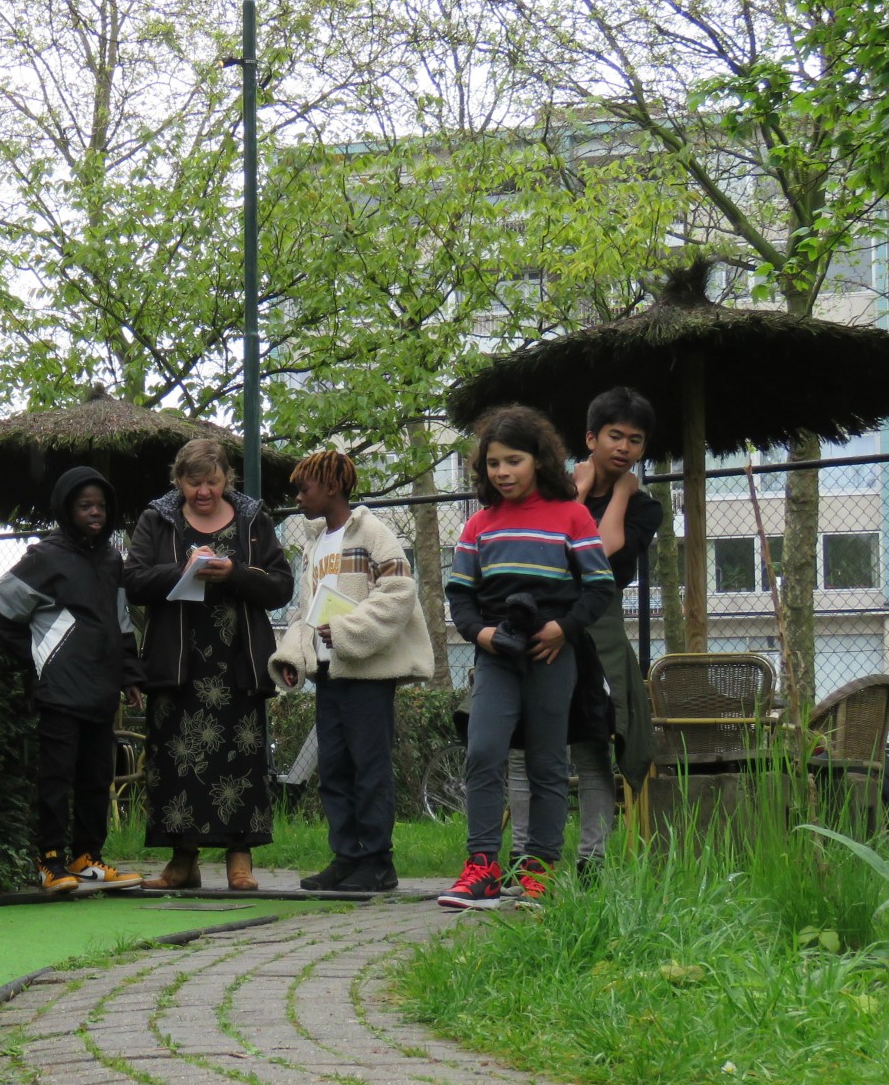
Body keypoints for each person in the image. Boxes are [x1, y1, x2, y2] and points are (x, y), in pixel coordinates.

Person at [438, 406, 614, 911]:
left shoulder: (572, 516)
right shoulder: (479, 525)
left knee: (547, 762)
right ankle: (482, 869)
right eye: (493, 463)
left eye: (513, 460)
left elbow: (599, 587)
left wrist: (564, 629)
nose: (503, 472)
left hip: (553, 654)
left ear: (539, 460)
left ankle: (540, 870)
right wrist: (484, 635)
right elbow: (460, 597)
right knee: (484, 752)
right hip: (497, 655)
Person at [124, 438, 294, 891]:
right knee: (177, 760)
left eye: (213, 482)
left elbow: (281, 585)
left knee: (240, 758)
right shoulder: (156, 518)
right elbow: (135, 580)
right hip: (177, 661)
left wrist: (234, 572)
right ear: (177, 481)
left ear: (227, 480)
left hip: (237, 660)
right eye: (193, 482)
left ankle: (240, 858)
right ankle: (183, 861)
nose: (204, 491)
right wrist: (182, 569)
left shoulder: (254, 518)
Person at [504, 387, 661, 874]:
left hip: (597, 636)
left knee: (594, 750)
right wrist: (578, 488)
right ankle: (521, 857)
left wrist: (618, 491)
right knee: (519, 748)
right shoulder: (553, 490)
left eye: (635, 440)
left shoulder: (644, 507)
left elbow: (601, 545)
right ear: (591, 438)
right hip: (540, 625)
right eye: (614, 435)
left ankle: (591, 861)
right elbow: (552, 542)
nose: (624, 447)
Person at [268, 451, 434, 893]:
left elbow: (399, 591)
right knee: (336, 769)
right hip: (327, 673)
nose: (299, 498)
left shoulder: (373, 533)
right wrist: (292, 658)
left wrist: (344, 631)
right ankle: (347, 857)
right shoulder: (313, 544)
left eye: (305, 489)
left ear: (332, 488)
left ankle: (379, 862)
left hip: (368, 675)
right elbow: (305, 612)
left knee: (369, 768)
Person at [0, 466, 147, 894]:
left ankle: (87, 857)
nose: (95, 513)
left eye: (100, 506)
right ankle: (50, 860)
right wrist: (33, 660)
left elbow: (121, 622)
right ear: (66, 509)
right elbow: (3, 601)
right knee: (56, 778)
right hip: (59, 693)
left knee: (98, 776)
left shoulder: (113, 560)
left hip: (101, 691)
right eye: (85, 506)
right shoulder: (46, 558)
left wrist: (130, 675)